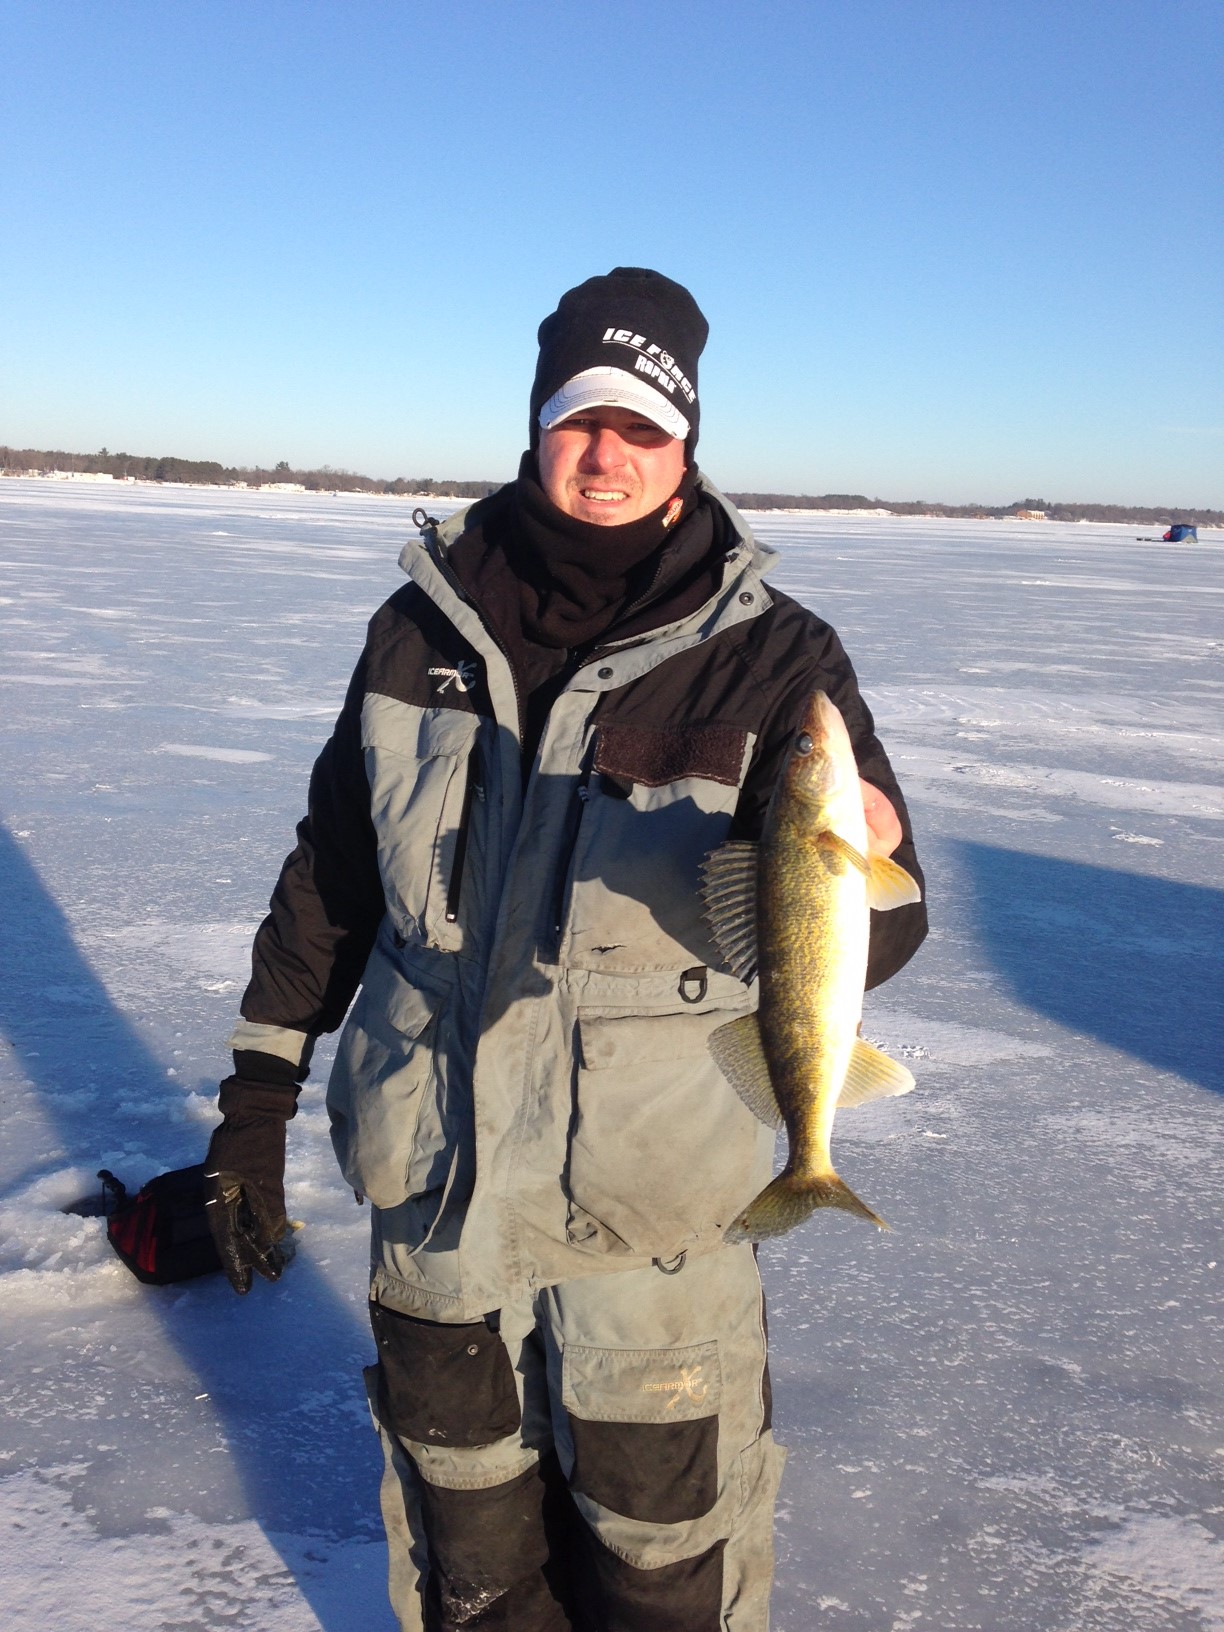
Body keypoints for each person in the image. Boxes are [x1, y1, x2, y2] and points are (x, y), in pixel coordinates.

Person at [203, 267, 927, 1631]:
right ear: (538, 423)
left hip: (653, 1213)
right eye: (581, 418)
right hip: (440, 1194)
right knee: (468, 1554)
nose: (607, 454)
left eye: (643, 428)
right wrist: (256, 1101)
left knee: (665, 1569)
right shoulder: (419, 631)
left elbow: (892, 928)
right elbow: (332, 880)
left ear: (687, 447)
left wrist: (856, 862)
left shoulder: (778, 661)